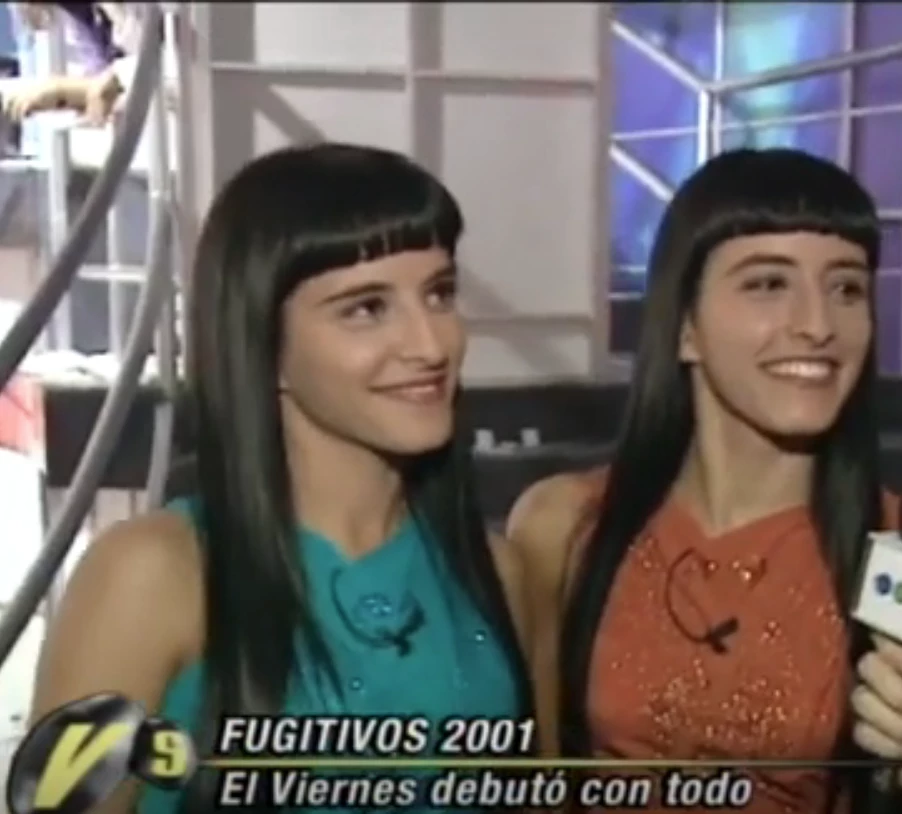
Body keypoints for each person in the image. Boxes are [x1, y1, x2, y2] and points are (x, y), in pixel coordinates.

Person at [27, 143, 534, 814]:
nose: (432, 344)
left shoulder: (497, 572)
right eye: (366, 308)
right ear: (263, 345)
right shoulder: (150, 575)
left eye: (439, 293)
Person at [507, 147, 901, 812]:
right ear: (685, 326)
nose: (817, 326)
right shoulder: (564, 525)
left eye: (846, 289)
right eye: (768, 284)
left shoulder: (894, 553)